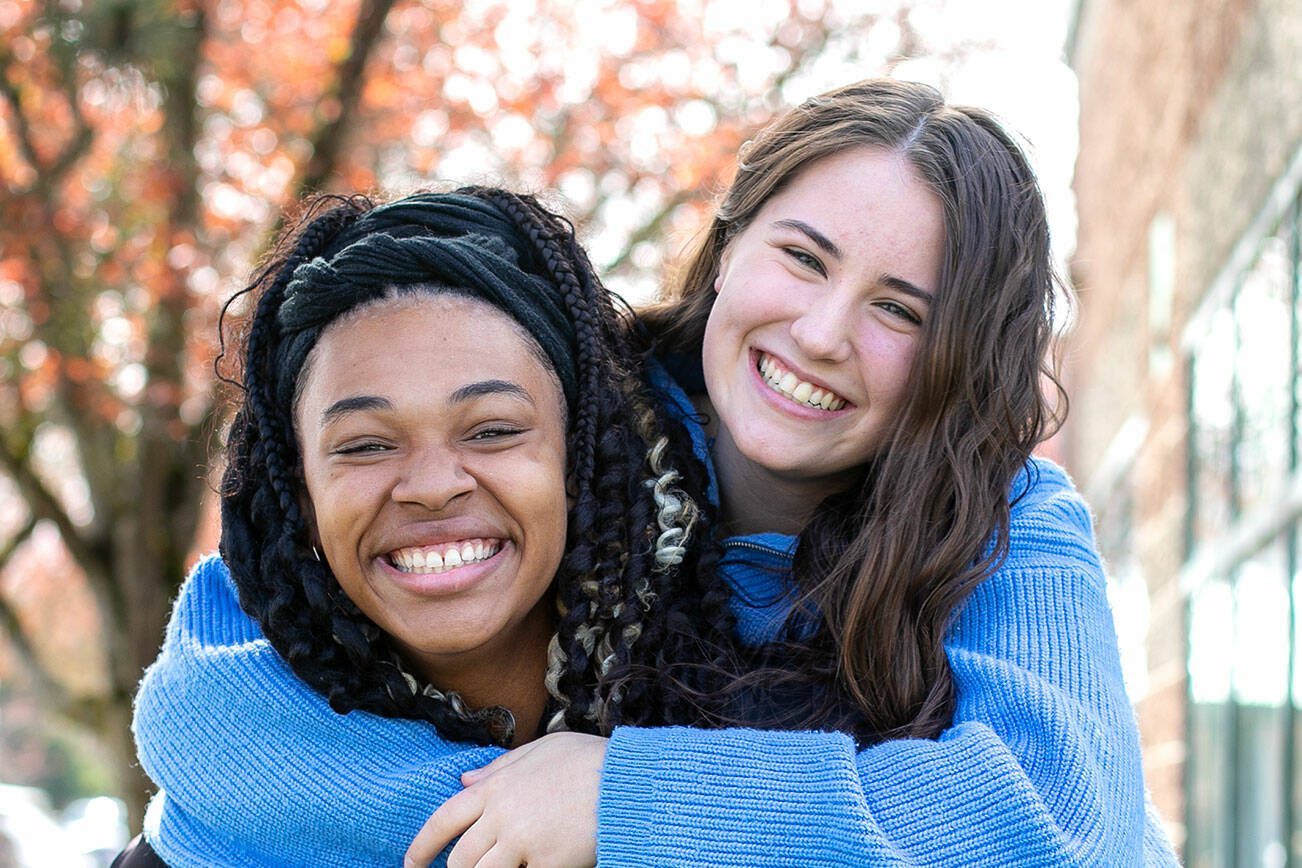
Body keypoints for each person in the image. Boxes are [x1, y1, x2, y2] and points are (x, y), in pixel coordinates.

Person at [131, 79, 1179, 866]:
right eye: (802, 258)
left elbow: (1061, 822)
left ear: (964, 355)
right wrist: (510, 822)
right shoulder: (558, 418)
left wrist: (624, 799)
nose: (821, 333)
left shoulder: (1007, 519)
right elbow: (211, 715)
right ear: (727, 247)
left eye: (900, 309)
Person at [118, 187, 737, 866]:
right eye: (365, 444)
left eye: (493, 430)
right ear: (303, 494)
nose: (434, 486)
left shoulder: (760, 727)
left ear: (580, 460)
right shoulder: (202, 843)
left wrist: (635, 800)